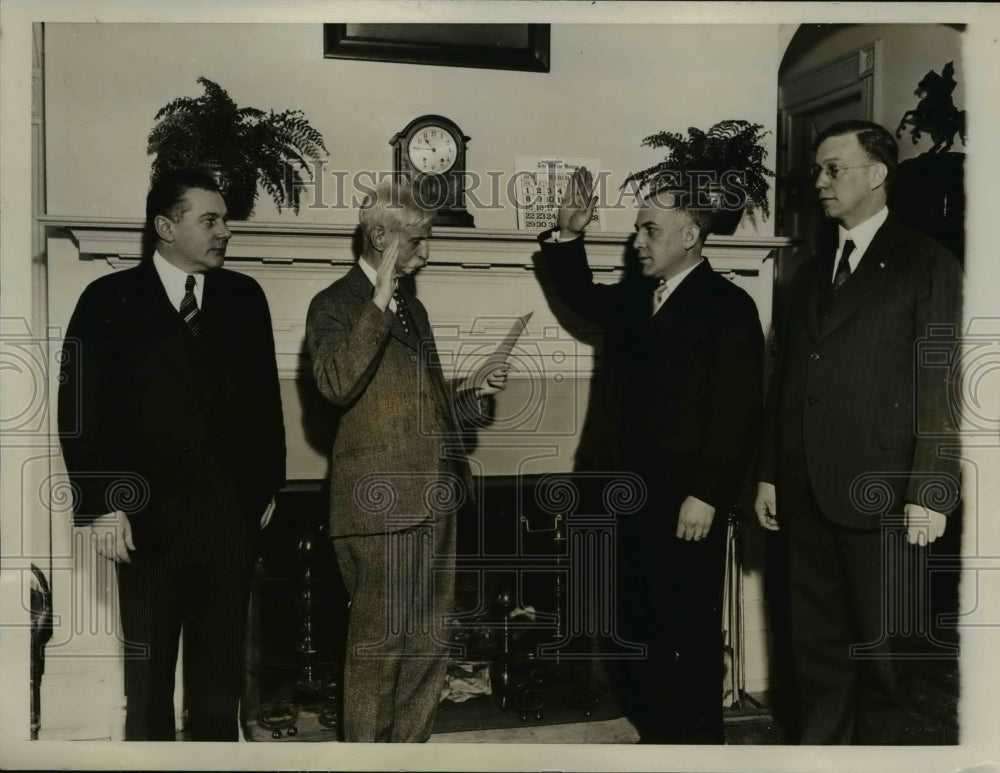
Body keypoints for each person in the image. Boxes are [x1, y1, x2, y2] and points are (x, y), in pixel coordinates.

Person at [535, 168, 764, 743]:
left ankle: (695, 747)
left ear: (690, 235)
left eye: (649, 230)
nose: (637, 241)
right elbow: (584, 298)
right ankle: (653, 738)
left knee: (684, 634)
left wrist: (707, 495)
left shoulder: (728, 306)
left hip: (686, 507)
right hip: (621, 503)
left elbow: (738, 413)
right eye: (638, 229)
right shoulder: (638, 297)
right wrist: (568, 236)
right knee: (628, 630)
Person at [57, 168, 286, 741]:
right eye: (210, 220)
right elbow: (79, 410)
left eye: (226, 219)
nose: (225, 232)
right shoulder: (108, 299)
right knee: (149, 688)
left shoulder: (244, 297)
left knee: (219, 688)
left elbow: (266, 403)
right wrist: (104, 505)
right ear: (165, 227)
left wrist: (265, 488)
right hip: (143, 521)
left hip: (227, 520)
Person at [753, 119, 963, 744]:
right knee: (815, 658)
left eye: (831, 169)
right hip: (805, 494)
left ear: (875, 176)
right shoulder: (809, 274)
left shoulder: (926, 263)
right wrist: (769, 472)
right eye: (817, 170)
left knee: (883, 665)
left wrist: (931, 491)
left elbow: (942, 384)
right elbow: (785, 384)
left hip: (883, 498)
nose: (819, 182)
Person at [305, 179, 509, 742]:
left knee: (427, 646)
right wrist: (378, 300)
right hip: (380, 508)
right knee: (379, 652)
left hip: (436, 499)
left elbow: (428, 407)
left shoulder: (412, 307)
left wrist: (473, 393)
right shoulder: (334, 305)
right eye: (417, 240)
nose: (428, 251)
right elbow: (337, 383)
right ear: (378, 236)